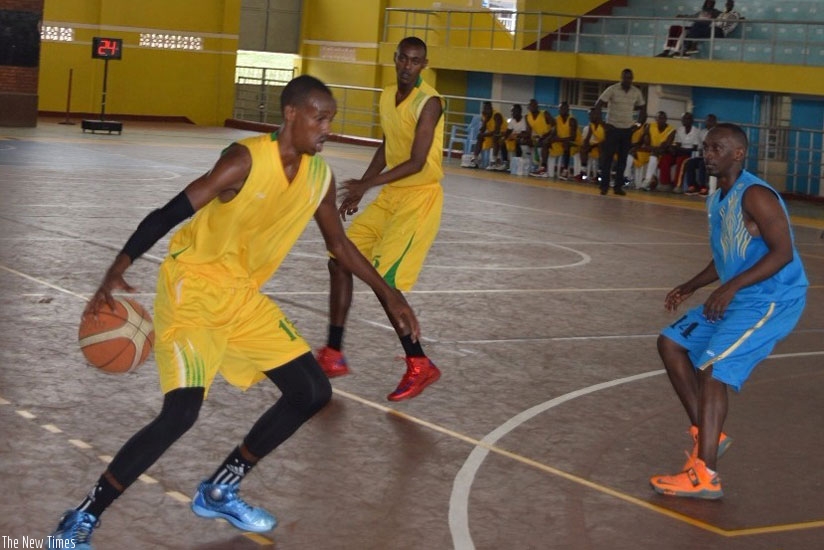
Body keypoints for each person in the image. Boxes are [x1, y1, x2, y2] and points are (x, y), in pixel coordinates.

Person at [46, 75, 421, 549]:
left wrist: (389, 294)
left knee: (311, 390)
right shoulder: (243, 160)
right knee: (181, 413)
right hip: (194, 290)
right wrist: (116, 268)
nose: (328, 128)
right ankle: (81, 517)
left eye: (331, 119)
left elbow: (339, 245)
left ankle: (221, 487)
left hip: (241, 296)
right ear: (291, 114)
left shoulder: (318, 178)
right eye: (320, 117)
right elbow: (170, 212)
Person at [650, 123, 808, 500]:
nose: (707, 154)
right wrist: (692, 285)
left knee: (713, 369)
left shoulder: (755, 194)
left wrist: (730, 287)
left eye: (716, 148)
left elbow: (783, 252)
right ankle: (709, 436)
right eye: (705, 147)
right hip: (737, 295)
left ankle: (705, 475)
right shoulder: (717, 195)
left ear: (738, 153)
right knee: (671, 344)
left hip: (771, 299)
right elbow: (728, 255)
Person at [315, 36, 442, 402]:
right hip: (392, 194)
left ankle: (419, 363)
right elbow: (389, 145)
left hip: (419, 198)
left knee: (385, 279)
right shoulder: (388, 95)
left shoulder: (429, 102)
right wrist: (364, 188)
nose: (407, 66)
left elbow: (417, 161)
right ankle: (333, 354)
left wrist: (366, 183)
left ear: (424, 64)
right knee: (340, 260)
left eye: (415, 61)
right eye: (403, 58)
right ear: (395, 58)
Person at [593, 68, 647, 196]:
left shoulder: (636, 92)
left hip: (627, 130)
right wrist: (602, 123)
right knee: (608, 158)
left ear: (632, 79)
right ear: (621, 77)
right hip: (612, 128)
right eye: (625, 77)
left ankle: (618, 187)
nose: (627, 80)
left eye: (629, 78)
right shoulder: (612, 89)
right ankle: (604, 186)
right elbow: (598, 104)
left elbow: (643, 109)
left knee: (622, 159)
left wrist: (638, 125)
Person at [656, 0, 721, 57]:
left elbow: (721, 17)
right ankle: (666, 50)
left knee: (697, 24)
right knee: (676, 28)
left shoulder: (716, 12)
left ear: (714, 4)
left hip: (705, 29)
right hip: (696, 27)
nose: (710, 4)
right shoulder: (701, 12)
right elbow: (692, 17)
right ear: (706, 3)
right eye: (708, 2)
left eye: (712, 3)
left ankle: (684, 49)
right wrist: (682, 16)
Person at [661, 112, 703, 193]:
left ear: (692, 120)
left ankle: (678, 185)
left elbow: (694, 149)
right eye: (684, 119)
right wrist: (676, 150)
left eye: (688, 119)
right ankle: (665, 184)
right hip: (680, 152)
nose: (686, 120)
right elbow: (677, 145)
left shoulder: (697, 131)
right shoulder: (679, 130)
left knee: (681, 161)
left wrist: (680, 150)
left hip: (691, 155)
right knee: (665, 158)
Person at [638, 111, 676, 191]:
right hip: (650, 151)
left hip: (662, 153)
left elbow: (666, 146)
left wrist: (653, 148)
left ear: (666, 119)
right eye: (659, 118)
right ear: (655, 119)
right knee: (632, 154)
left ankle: (647, 181)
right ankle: (629, 180)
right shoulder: (649, 126)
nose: (661, 120)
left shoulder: (671, 130)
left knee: (654, 155)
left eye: (663, 118)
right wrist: (654, 148)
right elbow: (646, 143)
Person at [682, 113, 718, 195]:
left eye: (711, 121)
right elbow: (699, 146)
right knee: (690, 163)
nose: (708, 123)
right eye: (707, 121)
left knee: (703, 164)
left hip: (714, 157)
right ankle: (692, 186)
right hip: (703, 155)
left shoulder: (718, 133)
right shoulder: (702, 132)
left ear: (715, 122)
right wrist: (701, 151)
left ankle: (703, 187)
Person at [467, 100, 505, 170]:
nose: (486, 110)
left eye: (488, 108)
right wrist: (485, 121)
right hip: (492, 134)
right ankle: (475, 160)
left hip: (503, 134)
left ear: (491, 108)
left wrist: (484, 134)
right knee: (480, 137)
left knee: (495, 137)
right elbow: (482, 130)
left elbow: (497, 131)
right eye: (484, 109)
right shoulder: (484, 116)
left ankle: (494, 162)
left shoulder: (497, 115)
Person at [526, 99, 555, 177]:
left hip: (550, 136)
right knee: (525, 142)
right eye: (530, 105)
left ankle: (543, 169)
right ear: (528, 107)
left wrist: (547, 136)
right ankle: (531, 166)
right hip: (539, 137)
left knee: (545, 143)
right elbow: (528, 131)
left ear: (537, 106)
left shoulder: (545, 113)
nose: (532, 107)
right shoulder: (527, 117)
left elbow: (554, 127)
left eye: (534, 105)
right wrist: (528, 139)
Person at [576, 108, 605, 182]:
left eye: (592, 115)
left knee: (601, 146)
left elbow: (606, 141)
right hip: (595, 147)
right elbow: (587, 138)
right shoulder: (591, 125)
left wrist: (593, 146)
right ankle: (583, 172)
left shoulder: (604, 125)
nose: (590, 117)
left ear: (598, 115)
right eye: (589, 115)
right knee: (583, 148)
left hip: (605, 147)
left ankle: (600, 174)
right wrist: (585, 146)